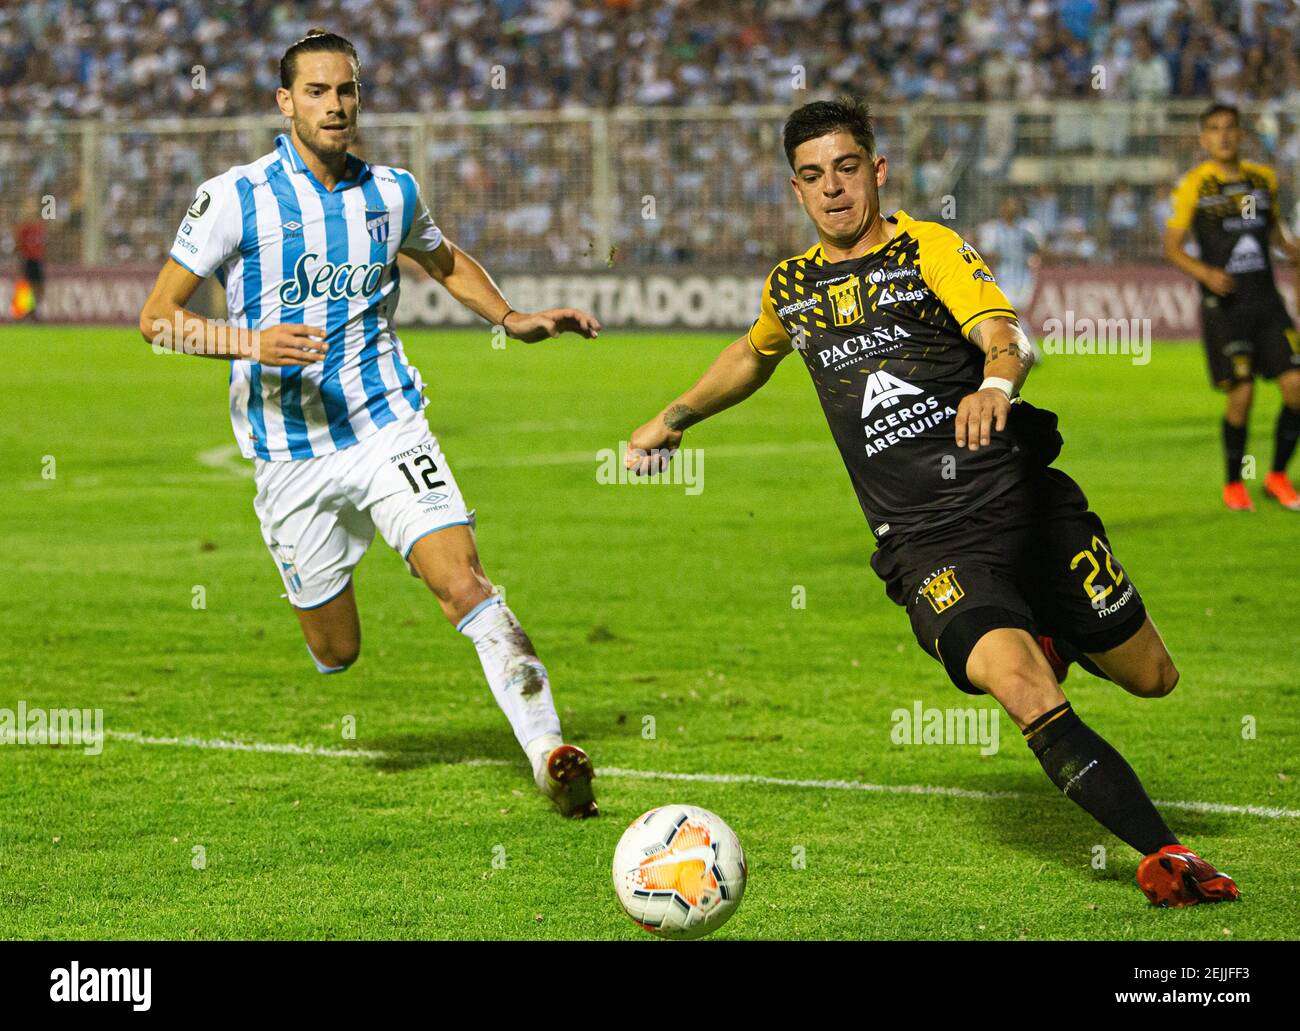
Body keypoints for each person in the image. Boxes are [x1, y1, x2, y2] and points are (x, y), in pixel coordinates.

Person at [626, 98, 1239, 907]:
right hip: (928, 546)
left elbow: (1004, 334)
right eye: (813, 176)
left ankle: (1056, 627)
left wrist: (993, 383)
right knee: (1022, 687)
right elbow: (753, 350)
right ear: (796, 190)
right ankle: (1168, 856)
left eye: (847, 168)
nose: (833, 189)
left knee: (1153, 676)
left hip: (1025, 507)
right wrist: (674, 417)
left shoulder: (929, 249)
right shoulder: (795, 288)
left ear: (876, 171)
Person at [138, 30, 601, 817]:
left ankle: (548, 752)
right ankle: (340, 593)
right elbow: (156, 321)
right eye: (316, 91)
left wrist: (512, 315)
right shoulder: (237, 197)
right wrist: (251, 343)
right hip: (290, 456)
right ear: (285, 103)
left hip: (388, 424)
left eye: (345, 90)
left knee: (464, 583)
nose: (335, 105)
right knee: (337, 650)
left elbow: (444, 257)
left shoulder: (392, 192)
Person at [1163, 102, 1300, 512]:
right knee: (1241, 395)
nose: (1223, 136)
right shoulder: (1194, 185)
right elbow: (1171, 246)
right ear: (1204, 139)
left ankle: (1276, 476)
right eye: (1214, 129)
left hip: (1267, 301)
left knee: (1296, 387)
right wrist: (1205, 273)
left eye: (1230, 128)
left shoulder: (1264, 180)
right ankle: (1233, 483)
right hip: (1224, 306)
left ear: (1241, 134)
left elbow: (1271, 229)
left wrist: (1288, 248)